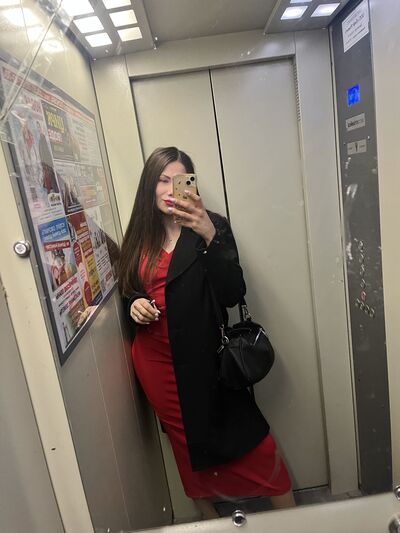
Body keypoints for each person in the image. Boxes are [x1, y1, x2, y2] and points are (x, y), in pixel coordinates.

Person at [118, 147, 295, 518]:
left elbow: (232, 293)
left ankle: (293, 522)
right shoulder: (140, 234)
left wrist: (210, 235)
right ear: (149, 185)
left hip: (206, 364)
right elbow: (130, 286)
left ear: (191, 185)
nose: (170, 189)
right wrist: (135, 303)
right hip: (157, 365)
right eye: (162, 180)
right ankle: (210, 523)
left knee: (259, 450)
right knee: (186, 454)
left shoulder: (212, 225)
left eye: (178, 180)